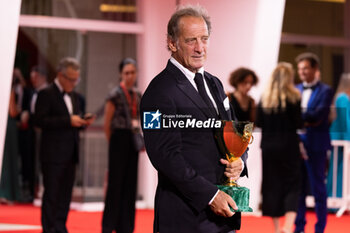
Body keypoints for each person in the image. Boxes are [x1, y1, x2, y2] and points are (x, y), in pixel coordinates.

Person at [140, 5, 247, 233]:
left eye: (204, 39)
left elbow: (234, 130)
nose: (200, 48)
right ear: (172, 43)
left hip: (223, 214)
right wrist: (210, 195)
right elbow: (164, 156)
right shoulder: (158, 91)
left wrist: (240, 161)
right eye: (191, 41)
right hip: (185, 218)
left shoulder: (215, 84)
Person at [34, 57, 94, 233]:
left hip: (71, 153)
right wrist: (68, 121)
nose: (74, 83)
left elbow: (72, 121)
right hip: (52, 154)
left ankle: (60, 226)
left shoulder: (75, 97)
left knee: (66, 195)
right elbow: (40, 121)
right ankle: (49, 228)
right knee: (51, 194)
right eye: (71, 79)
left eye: (77, 79)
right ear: (60, 75)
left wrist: (82, 122)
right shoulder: (46, 94)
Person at [256, 62, 302, 233]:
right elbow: (298, 123)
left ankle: (276, 229)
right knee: (293, 185)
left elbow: (259, 122)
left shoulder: (264, 98)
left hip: (269, 148)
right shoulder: (294, 97)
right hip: (289, 147)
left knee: (271, 186)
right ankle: (288, 227)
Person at [294, 52, 333, 233]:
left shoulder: (326, 90)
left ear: (315, 69)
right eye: (300, 68)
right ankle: (299, 227)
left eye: (305, 68)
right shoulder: (295, 89)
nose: (302, 72)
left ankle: (320, 229)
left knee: (318, 189)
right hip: (297, 145)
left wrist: (297, 118)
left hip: (316, 146)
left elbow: (318, 116)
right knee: (299, 189)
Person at [102, 58, 141, 233]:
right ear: (121, 74)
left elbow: (141, 119)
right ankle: (109, 225)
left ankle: (127, 226)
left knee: (130, 185)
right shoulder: (115, 94)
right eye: (126, 73)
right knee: (115, 185)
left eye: (132, 72)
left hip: (132, 140)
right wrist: (113, 142)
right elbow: (107, 123)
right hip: (118, 140)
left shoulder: (138, 95)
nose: (130, 76)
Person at [0, 74, 23, 204]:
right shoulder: (10, 90)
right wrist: (20, 110)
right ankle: (8, 192)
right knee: (9, 160)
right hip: (9, 126)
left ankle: (4, 192)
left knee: (4, 160)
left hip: (3, 125)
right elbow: (12, 111)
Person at [327, 73, 350, 198]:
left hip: (343, 136)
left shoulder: (344, 97)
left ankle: (337, 198)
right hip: (341, 138)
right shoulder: (342, 98)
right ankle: (334, 199)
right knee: (337, 168)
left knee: (342, 168)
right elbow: (344, 120)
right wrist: (349, 138)